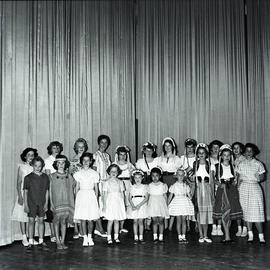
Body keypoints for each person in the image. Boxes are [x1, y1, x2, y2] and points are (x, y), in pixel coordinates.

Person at [236, 143, 266, 244]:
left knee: (257, 211)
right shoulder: (241, 164)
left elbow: (262, 177)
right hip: (243, 188)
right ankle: (250, 235)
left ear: (254, 152)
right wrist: (237, 188)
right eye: (247, 151)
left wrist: (258, 177)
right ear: (243, 152)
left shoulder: (258, 164)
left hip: (254, 188)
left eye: (251, 151)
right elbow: (238, 178)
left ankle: (261, 236)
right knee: (246, 211)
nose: (248, 153)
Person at [212, 144, 243, 243]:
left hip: (232, 190)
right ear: (221, 156)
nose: (226, 157)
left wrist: (235, 182)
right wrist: (219, 184)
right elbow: (213, 179)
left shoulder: (233, 166)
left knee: (229, 214)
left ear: (231, 156)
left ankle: (227, 235)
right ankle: (227, 236)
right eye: (224, 155)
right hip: (223, 189)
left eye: (228, 155)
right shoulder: (216, 166)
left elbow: (237, 177)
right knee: (224, 212)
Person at [11, 147, 38, 246]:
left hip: (33, 195)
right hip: (24, 194)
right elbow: (18, 183)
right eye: (29, 155)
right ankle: (24, 237)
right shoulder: (21, 167)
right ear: (25, 156)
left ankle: (31, 237)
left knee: (32, 217)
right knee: (23, 216)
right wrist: (20, 196)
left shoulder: (36, 167)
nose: (31, 157)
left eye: (32, 155)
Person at [73, 152, 100, 247]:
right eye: (84, 160)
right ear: (81, 162)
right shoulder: (78, 174)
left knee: (90, 219)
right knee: (83, 219)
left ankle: (90, 237)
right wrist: (76, 199)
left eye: (88, 160)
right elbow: (77, 187)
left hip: (91, 196)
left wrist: (96, 199)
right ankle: (84, 237)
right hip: (82, 196)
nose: (86, 162)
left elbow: (96, 188)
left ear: (91, 162)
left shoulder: (94, 173)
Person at [23, 156, 50, 250]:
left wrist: (46, 203)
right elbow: (25, 192)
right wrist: (26, 205)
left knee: (41, 221)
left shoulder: (45, 177)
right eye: (36, 166)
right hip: (31, 203)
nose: (38, 168)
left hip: (42, 203)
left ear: (42, 166)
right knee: (31, 221)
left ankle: (41, 240)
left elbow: (47, 191)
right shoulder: (28, 178)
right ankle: (30, 241)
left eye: (40, 166)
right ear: (32, 166)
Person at [50, 155, 75, 249]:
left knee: (64, 221)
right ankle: (57, 241)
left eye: (63, 163)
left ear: (66, 164)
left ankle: (63, 241)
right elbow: (50, 191)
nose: (61, 165)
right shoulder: (52, 176)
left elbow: (72, 188)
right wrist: (51, 203)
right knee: (56, 221)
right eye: (59, 163)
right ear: (56, 164)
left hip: (66, 202)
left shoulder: (69, 176)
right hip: (57, 202)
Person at [193, 143, 215, 243]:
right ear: (197, 154)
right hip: (198, 190)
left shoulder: (210, 165)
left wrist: (212, 194)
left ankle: (206, 235)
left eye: (203, 153)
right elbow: (192, 179)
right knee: (199, 213)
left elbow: (212, 181)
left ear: (206, 154)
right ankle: (201, 235)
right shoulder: (195, 164)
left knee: (206, 214)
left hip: (207, 190)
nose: (201, 154)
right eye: (199, 153)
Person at [168, 167, 194, 243]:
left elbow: (190, 196)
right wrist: (167, 204)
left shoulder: (186, 186)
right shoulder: (174, 186)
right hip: (177, 203)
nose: (180, 176)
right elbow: (170, 196)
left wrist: (191, 188)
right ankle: (179, 236)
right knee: (179, 220)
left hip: (184, 203)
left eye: (182, 175)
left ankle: (184, 236)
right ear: (176, 176)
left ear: (184, 176)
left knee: (184, 221)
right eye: (179, 175)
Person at [44, 141, 63, 243]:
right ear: (50, 149)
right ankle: (53, 233)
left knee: (59, 212)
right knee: (52, 212)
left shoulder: (62, 159)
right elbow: (48, 176)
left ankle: (58, 233)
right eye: (54, 148)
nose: (56, 149)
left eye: (58, 148)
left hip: (61, 187)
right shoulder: (47, 160)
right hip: (52, 187)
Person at [93, 135, 111, 237]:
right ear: (98, 143)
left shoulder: (107, 156)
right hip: (99, 183)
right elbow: (95, 171)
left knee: (104, 205)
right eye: (102, 142)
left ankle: (98, 228)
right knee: (98, 205)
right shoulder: (95, 155)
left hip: (106, 183)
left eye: (106, 143)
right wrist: (95, 186)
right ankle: (99, 228)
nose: (104, 144)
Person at [103, 164, 126, 245]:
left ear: (118, 172)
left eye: (115, 171)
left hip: (118, 203)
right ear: (109, 172)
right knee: (110, 220)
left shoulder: (120, 182)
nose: (113, 173)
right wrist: (104, 206)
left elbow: (122, 194)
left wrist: (124, 204)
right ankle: (109, 237)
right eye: (112, 171)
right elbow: (105, 195)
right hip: (110, 203)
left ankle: (116, 237)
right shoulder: (106, 182)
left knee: (117, 220)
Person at [113, 145, 135, 233]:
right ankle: (116, 226)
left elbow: (134, 177)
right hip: (118, 185)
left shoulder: (130, 165)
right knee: (118, 205)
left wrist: (131, 174)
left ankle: (122, 226)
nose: (122, 156)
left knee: (126, 205)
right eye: (120, 154)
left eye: (124, 154)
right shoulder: (114, 165)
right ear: (117, 155)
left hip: (127, 185)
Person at [70, 138, 88, 239]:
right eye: (79, 147)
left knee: (85, 207)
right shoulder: (73, 160)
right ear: (76, 148)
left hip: (86, 187)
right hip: (77, 186)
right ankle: (76, 229)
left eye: (82, 146)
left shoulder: (88, 158)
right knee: (77, 207)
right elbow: (70, 174)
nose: (81, 148)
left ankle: (83, 229)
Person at [147, 167, 169, 243]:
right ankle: (155, 236)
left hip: (161, 204)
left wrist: (166, 206)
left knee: (161, 221)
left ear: (160, 176)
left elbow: (165, 196)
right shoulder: (149, 185)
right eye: (153, 176)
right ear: (151, 176)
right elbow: (148, 196)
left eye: (157, 175)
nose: (155, 177)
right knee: (155, 221)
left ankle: (161, 236)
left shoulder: (163, 185)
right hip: (152, 204)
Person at [128, 169, 149, 244]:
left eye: (139, 177)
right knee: (135, 221)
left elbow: (146, 198)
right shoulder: (132, 187)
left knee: (141, 221)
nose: (137, 179)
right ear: (133, 178)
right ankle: (136, 237)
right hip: (134, 203)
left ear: (142, 178)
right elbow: (129, 198)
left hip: (142, 204)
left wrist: (139, 205)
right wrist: (133, 206)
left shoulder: (145, 187)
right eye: (136, 177)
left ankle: (141, 237)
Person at [232, 141, 247, 237]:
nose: (236, 150)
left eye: (238, 148)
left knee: (244, 208)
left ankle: (245, 228)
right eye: (234, 148)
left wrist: (239, 184)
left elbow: (243, 175)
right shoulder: (232, 159)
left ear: (241, 149)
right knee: (237, 207)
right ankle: (239, 228)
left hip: (242, 186)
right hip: (234, 186)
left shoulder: (244, 159)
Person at [209, 140, 224, 236]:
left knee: (220, 206)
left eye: (217, 148)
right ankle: (213, 226)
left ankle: (220, 226)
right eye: (213, 148)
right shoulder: (208, 160)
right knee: (213, 207)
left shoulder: (222, 160)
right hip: (211, 186)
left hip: (221, 187)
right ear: (210, 149)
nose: (215, 150)